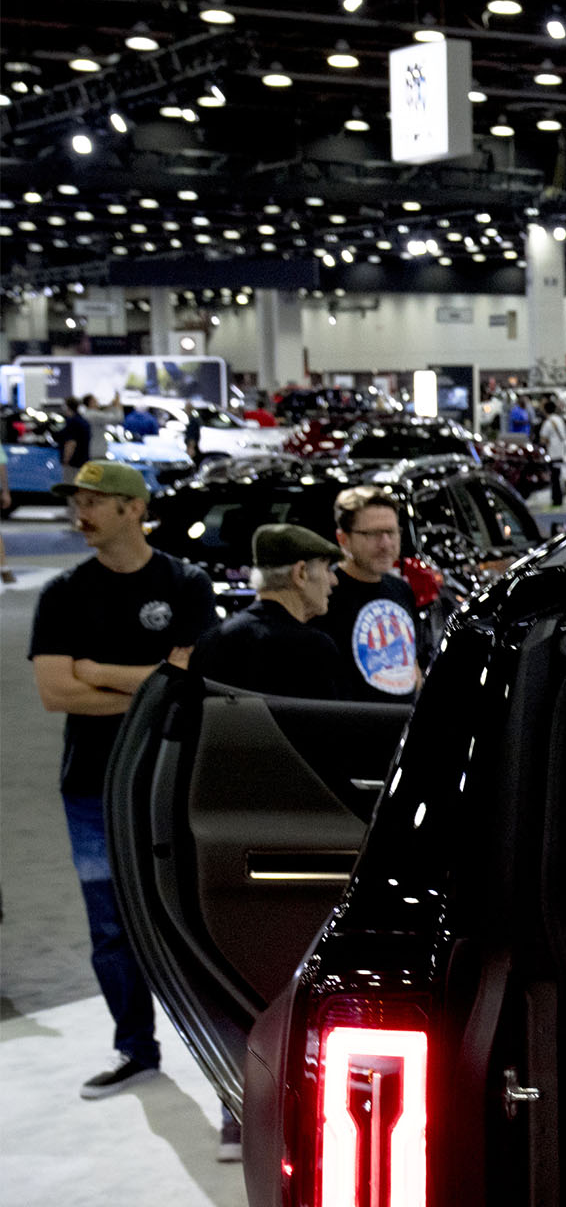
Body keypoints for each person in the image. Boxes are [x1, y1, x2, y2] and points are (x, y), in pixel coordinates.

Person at [28, 462, 215, 1101]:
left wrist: (97, 672)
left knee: (193, 918)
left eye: (95, 502)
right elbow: (55, 692)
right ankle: (134, 1048)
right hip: (90, 786)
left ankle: (224, 1065)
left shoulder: (185, 584)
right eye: (77, 501)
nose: (82, 512)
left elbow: (187, 684)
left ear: (134, 509)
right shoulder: (62, 595)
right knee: (110, 927)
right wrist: (146, 684)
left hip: (170, 782)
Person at [190, 525, 344, 698]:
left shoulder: (212, 640)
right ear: (300, 573)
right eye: (327, 569)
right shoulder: (314, 648)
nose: (334, 580)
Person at [313, 486, 426, 702]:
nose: (385, 544)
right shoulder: (326, 595)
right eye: (373, 534)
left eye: (391, 532)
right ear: (343, 539)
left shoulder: (401, 589)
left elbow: (412, 664)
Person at [538, 398, 566, 506]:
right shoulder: (559, 420)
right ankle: (558, 497)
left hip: (553, 453)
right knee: (558, 476)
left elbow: (543, 439)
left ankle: (557, 499)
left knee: (554, 478)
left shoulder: (548, 423)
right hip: (561, 452)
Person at [57, 396, 94, 480]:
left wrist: (66, 460)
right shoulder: (83, 421)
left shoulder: (72, 422)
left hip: (73, 463)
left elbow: (71, 443)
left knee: (70, 486)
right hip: (83, 462)